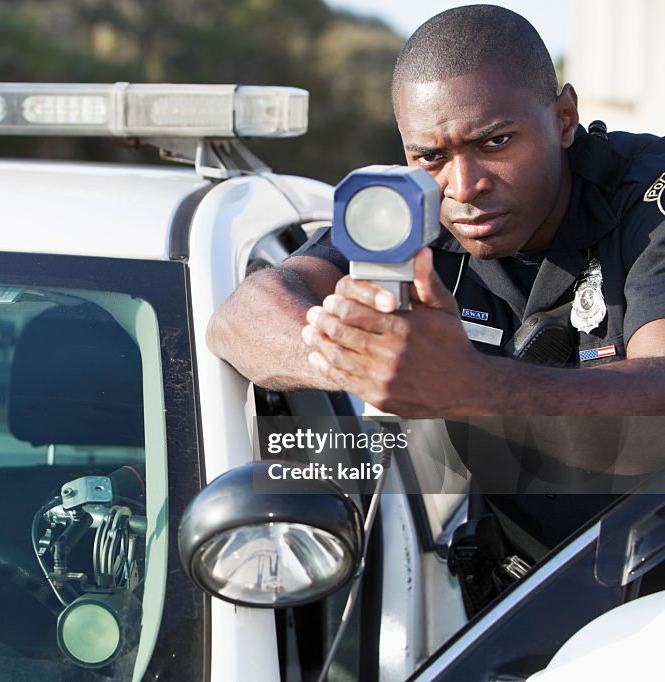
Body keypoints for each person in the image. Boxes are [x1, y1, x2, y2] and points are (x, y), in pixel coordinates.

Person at [206, 5, 665, 575]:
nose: (464, 187)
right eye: (431, 156)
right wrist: (368, 365)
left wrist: (464, 386)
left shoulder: (648, 199)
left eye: (496, 142)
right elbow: (241, 317)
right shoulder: (412, 205)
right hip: (523, 596)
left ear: (565, 118)